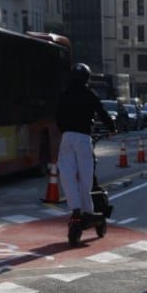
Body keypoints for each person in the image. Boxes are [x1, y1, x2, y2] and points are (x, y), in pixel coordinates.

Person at [55, 63, 114, 220]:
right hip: (83, 137)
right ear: (87, 78)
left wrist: (64, 130)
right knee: (86, 176)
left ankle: (75, 208)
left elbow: (58, 115)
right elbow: (102, 112)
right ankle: (88, 210)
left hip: (67, 137)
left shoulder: (65, 94)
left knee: (67, 174)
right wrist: (112, 128)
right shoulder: (90, 94)